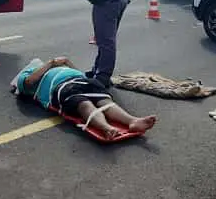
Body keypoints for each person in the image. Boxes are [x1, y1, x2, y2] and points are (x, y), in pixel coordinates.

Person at [13, 56, 156, 140]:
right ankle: (106, 128)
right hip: (62, 87)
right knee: (84, 104)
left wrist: (66, 62)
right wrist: (50, 63)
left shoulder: (62, 68)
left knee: (105, 101)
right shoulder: (27, 75)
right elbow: (29, 82)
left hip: (82, 80)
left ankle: (133, 121)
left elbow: (78, 72)